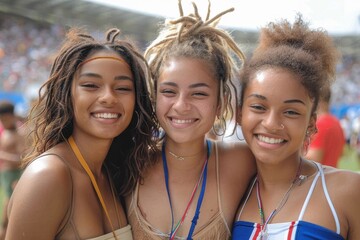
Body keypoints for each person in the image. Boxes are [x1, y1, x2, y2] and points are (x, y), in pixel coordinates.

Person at [5, 27, 158, 240]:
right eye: (90, 85)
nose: (108, 97)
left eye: (123, 88)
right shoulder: (49, 175)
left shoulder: (114, 173)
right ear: (67, 95)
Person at [125, 1, 256, 239]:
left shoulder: (242, 162)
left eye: (198, 93)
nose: (181, 105)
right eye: (169, 91)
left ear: (220, 102)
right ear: (153, 96)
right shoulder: (130, 161)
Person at [232, 15, 360, 239]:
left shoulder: (347, 190)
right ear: (239, 113)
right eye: (259, 107)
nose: (271, 123)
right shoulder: (229, 191)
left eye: (291, 111)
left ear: (311, 123)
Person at [0, 101, 26, 239]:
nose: (3, 122)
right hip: (6, 175)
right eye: (1, 120)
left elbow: (23, 158)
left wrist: (2, 155)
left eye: (5, 119)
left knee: (11, 212)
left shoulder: (19, 134)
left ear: (12, 116)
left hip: (15, 175)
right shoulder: (6, 132)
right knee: (7, 206)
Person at [305, 86, 345, 167]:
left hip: (320, 177)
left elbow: (314, 158)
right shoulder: (336, 122)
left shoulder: (321, 124)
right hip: (331, 175)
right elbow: (341, 154)